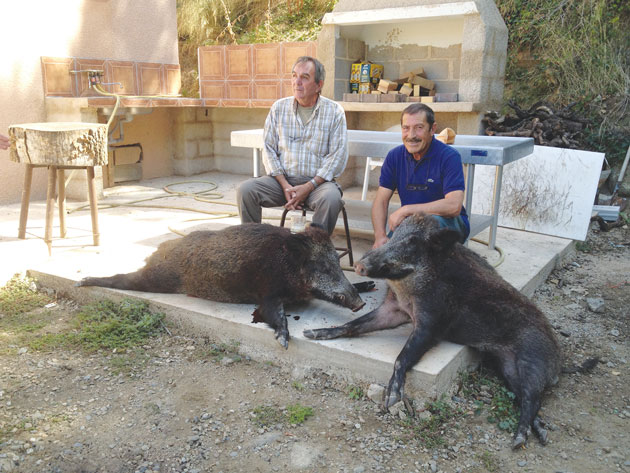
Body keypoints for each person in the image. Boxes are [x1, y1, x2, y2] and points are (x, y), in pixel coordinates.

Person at [237, 56, 348, 235]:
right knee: (246, 190)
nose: (297, 82)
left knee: (331, 199)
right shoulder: (278, 108)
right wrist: (284, 184)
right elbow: (269, 149)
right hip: (282, 183)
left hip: (318, 185)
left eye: (304, 77)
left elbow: (337, 156)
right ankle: (253, 245)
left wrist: (309, 186)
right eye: (294, 76)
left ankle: (314, 253)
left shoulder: (334, 111)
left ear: (319, 85)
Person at [371, 103, 469, 248]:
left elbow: (453, 206)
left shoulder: (449, 156)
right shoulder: (394, 157)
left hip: (449, 223)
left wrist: (406, 210)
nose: (411, 136)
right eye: (406, 128)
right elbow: (381, 201)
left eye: (419, 128)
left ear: (432, 129)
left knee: (418, 237)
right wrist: (380, 236)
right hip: (411, 224)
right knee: (389, 252)